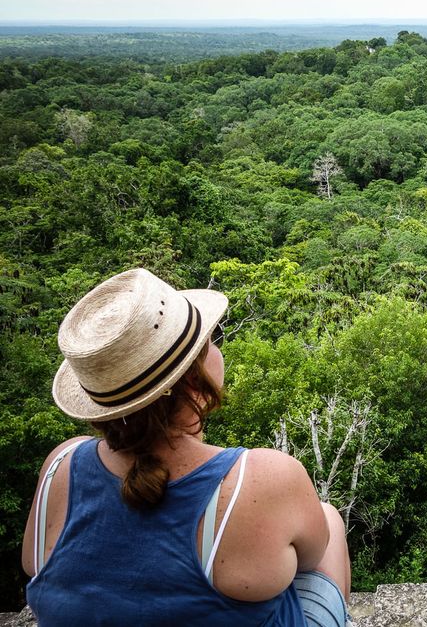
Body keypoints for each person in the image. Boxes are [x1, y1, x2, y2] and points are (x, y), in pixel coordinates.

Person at [21, 268, 351, 626]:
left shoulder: (61, 465)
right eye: (212, 338)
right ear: (195, 378)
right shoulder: (262, 478)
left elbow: (37, 565)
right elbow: (310, 557)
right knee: (328, 518)